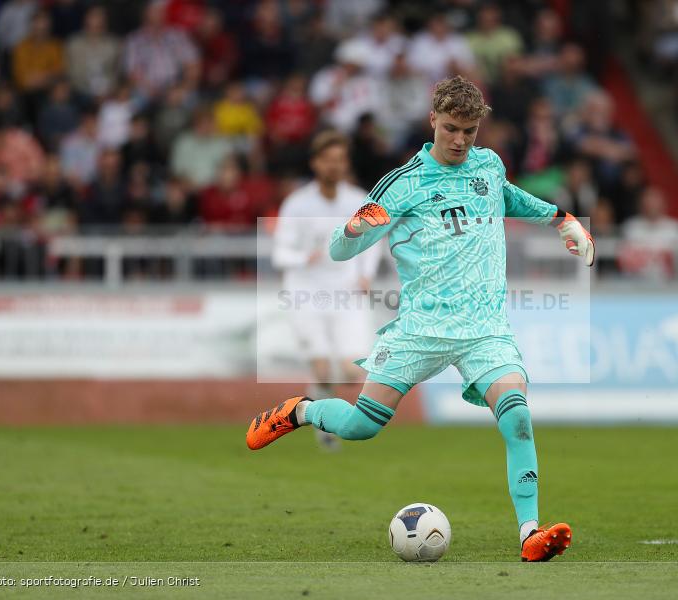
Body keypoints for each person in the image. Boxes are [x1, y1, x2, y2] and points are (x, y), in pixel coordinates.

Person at [247, 76, 595, 561]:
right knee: (360, 427)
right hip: (420, 330)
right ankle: (300, 411)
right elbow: (340, 249)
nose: (459, 140)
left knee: (517, 415)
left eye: (470, 131)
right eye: (451, 128)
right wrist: (352, 229)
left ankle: (530, 534)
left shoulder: (488, 166)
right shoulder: (402, 183)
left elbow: (512, 199)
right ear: (433, 119)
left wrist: (563, 220)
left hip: (484, 330)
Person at [271, 130, 381, 451]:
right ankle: (324, 428)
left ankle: (315, 413)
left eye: (340, 160)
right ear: (315, 163)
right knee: (322, 370)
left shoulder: (359, 200)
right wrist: (305, 257)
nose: (334, 166)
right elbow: (280, 253)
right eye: (328, 160)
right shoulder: (297, 204)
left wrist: (365, 275)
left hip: (347, 295)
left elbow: (373, 242)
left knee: (350, 373)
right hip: (306, 294)